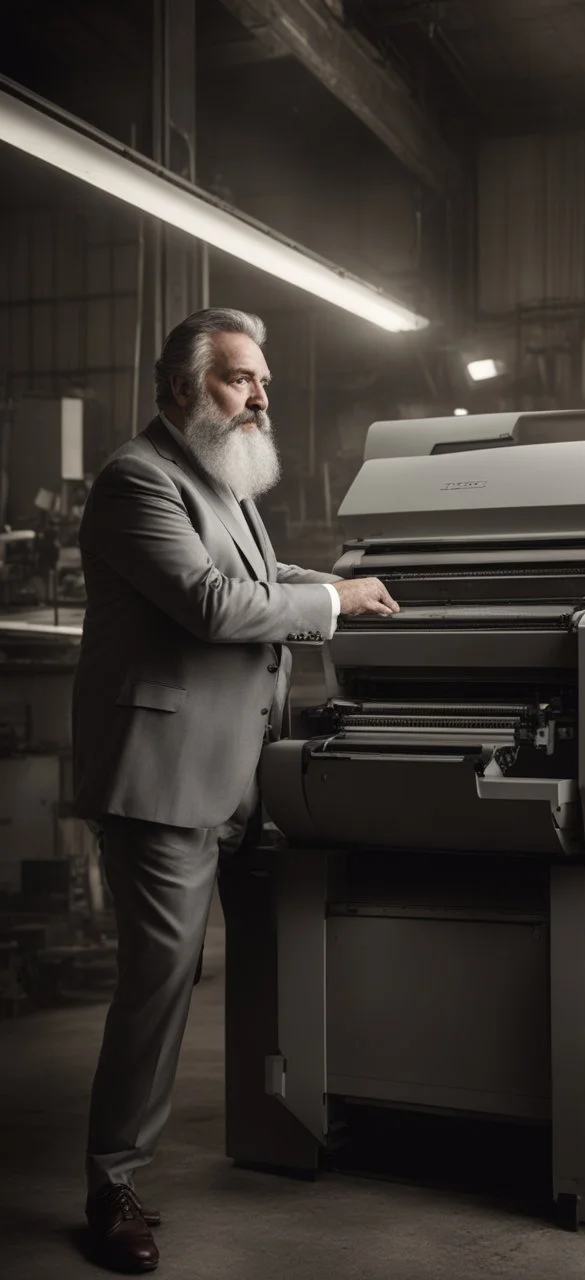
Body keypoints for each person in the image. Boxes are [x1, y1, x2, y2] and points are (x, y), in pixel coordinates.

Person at [72, 307, 399, 1273]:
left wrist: (348, 578)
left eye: (262, 381)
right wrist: (332, 604)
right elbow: (214, 604)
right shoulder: (139, 480)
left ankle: (282, 1128)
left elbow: (258, 570)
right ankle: (111, 1182)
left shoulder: (223, 479)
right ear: (183, 390)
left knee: (278, 955)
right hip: (167, 782)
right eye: (240, 380)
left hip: (247, 771)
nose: (261, 397)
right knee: (161, 984)